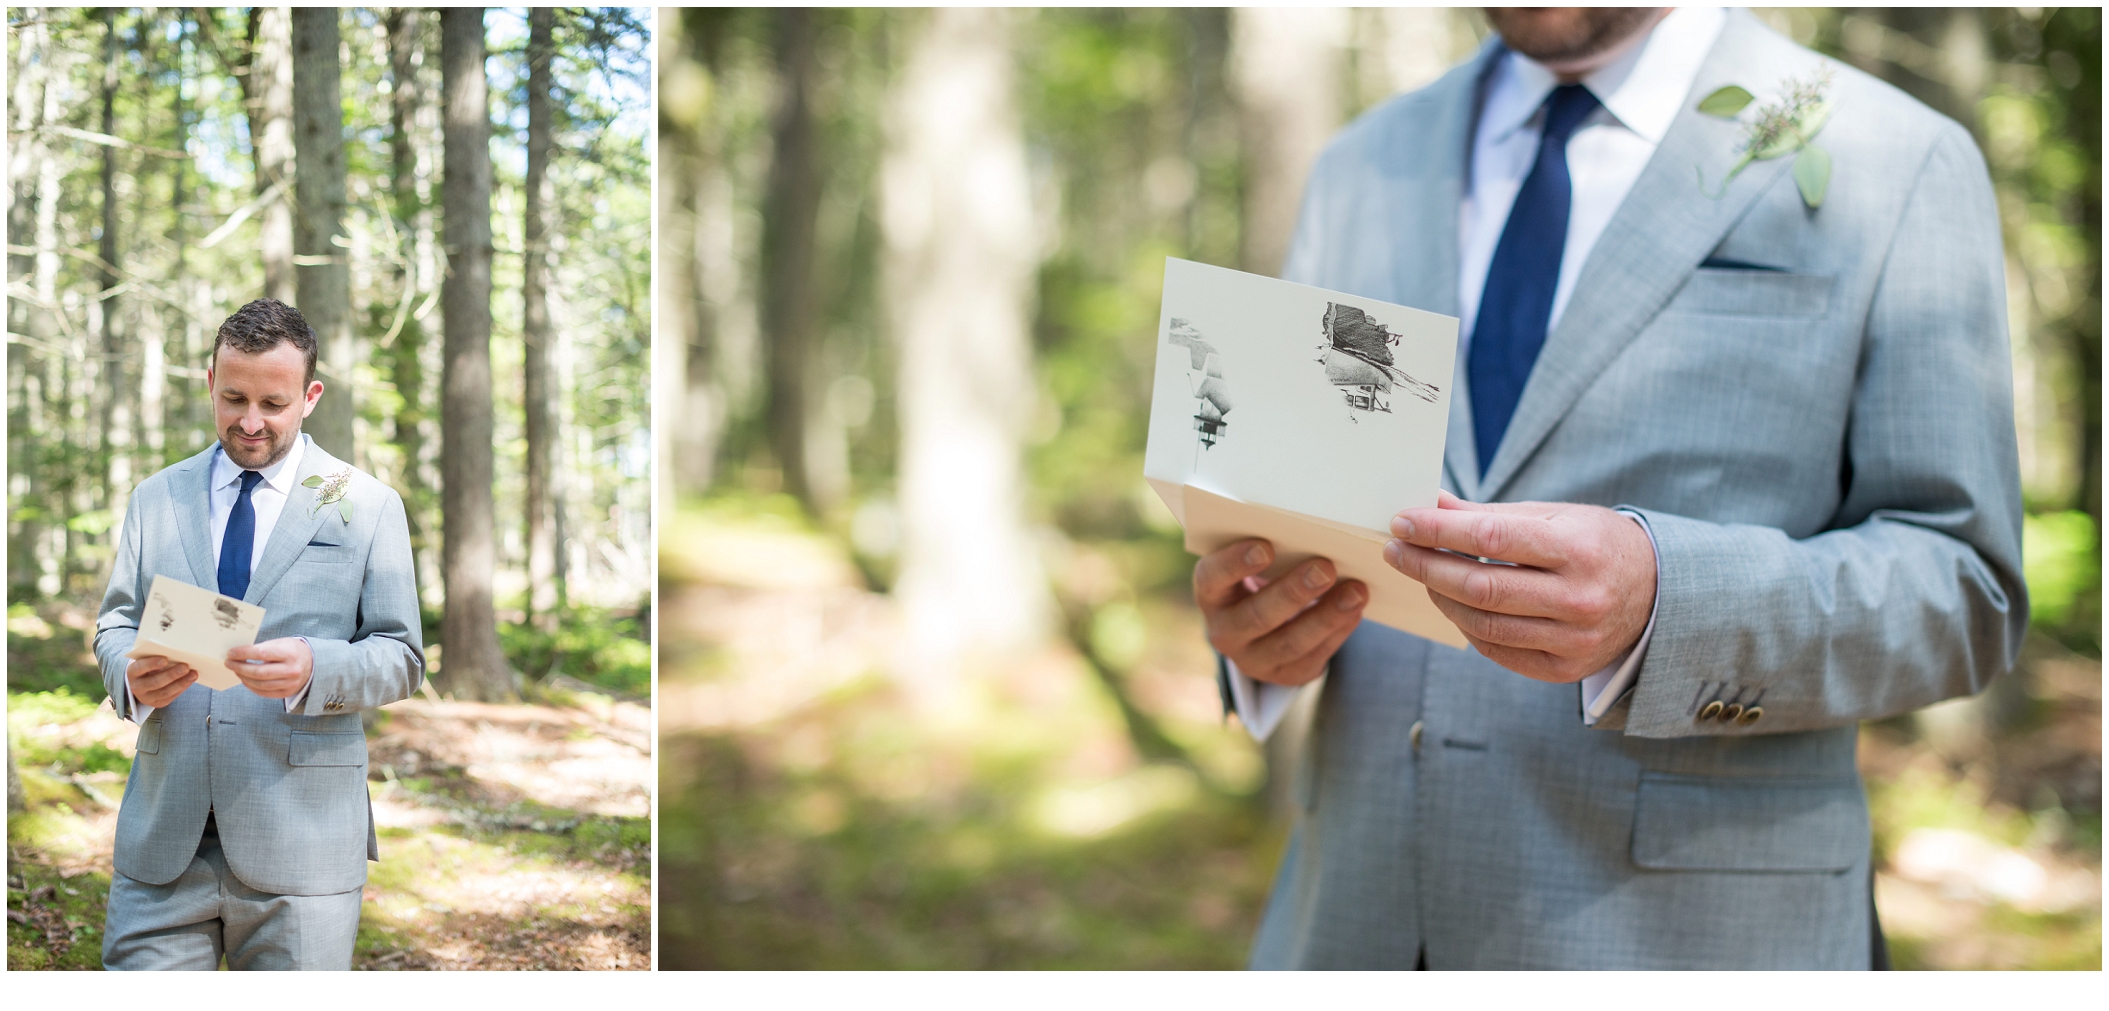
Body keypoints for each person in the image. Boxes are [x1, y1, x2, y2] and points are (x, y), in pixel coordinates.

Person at [1195, 7, 2024, 969]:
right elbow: (1302, 501)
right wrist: (1257, 630)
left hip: (1688, 943)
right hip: (1352, 925)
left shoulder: (1898, 157)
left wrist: (1669, 610)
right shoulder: (1361, 162)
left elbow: (1966, 588)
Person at [94, 298, 424, 970]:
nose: (250, 422)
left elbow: (402, 655)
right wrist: (126, 669)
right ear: (210, 383)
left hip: (303, 842)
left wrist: (316, 665)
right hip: (164, 839)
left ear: (310, 396)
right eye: (234, 397)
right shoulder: (156, 496)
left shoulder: (366, 502)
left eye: (272, 404)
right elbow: (116, 621)